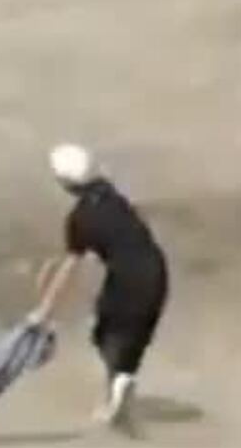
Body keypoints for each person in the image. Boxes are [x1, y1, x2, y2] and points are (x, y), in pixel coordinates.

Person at [30, 144, 170, 431]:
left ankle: (114, 392)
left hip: (126, 279)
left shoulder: (79, 219)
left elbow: (69, 270)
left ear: (65, 184)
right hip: (157, 270)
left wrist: (43, 313)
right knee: (133, 336)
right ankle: (122, 382)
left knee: (105, 334)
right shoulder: (112, 194)